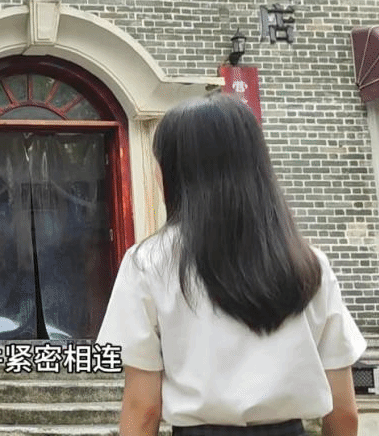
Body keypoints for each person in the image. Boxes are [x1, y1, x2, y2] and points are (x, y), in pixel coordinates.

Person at [96, 92, 365, 436]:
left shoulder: (148, 263)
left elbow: (143, 407)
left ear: (174, 173)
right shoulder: (308, 263)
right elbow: (344, 412)